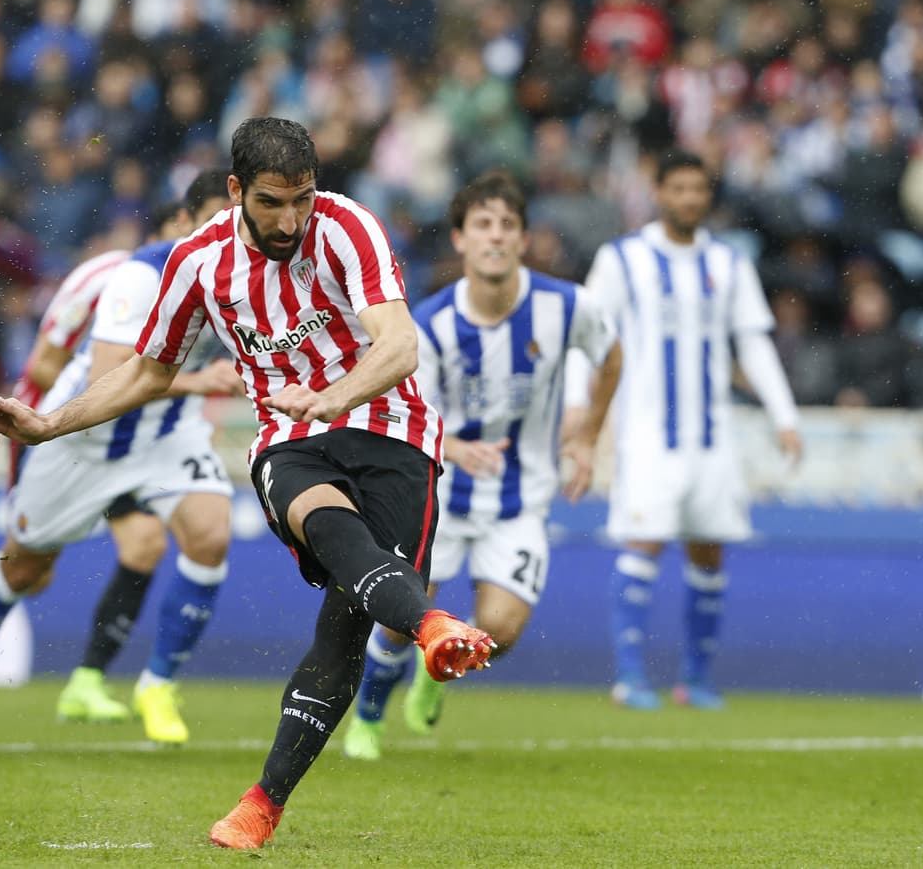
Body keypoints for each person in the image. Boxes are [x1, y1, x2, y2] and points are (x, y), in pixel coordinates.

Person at [0, 116, 495, 851]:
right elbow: (148, 372)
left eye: (302, 199)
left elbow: (400, 343)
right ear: (237, 189)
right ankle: (430, 623)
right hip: (289, 438)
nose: (290, 220)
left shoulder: (349, 226)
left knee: (345, 630)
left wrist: (333, 396)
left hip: (393, 430)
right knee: (319, 514)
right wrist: (49, 422)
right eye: (272, 202)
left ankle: (262, 803)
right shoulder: (197, 261)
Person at [341, 170, 621, 761]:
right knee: (399, 621)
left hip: (520, 499)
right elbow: (409, 410)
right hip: (438, 495)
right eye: (482, 224)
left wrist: (588, 436)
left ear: (523, 238)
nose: (495, 235)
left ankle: (435, 675)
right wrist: (453, 447)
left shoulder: (567, 306)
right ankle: (368, 715)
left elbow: (612, 355)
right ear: (460, 239)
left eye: (507, 225)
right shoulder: (432, 325)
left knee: (502, 631)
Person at [0, 194, 245, 747]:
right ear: (183, 221)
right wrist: (200, 382)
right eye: (213, 220)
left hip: (163, 439)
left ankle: (152, 685)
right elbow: (95, 372)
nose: (225, 232)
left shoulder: (248, 277)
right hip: (81, 436)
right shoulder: (132, 274)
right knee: (27, 570)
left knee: (204, 535)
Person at [584, 150, 803, 711]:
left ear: (709, 196)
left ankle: (696, 680)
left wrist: (784, 416)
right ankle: (630, 677)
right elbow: (588, 338)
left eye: (698, 189)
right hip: (647, 434)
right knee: (643, 543)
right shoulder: (622, 259)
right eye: (678, 188)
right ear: (659, 192)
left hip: (712, 438)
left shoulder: (729, 262)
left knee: (709, 552)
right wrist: (581, 418)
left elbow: (752, 342)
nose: (689, 198)